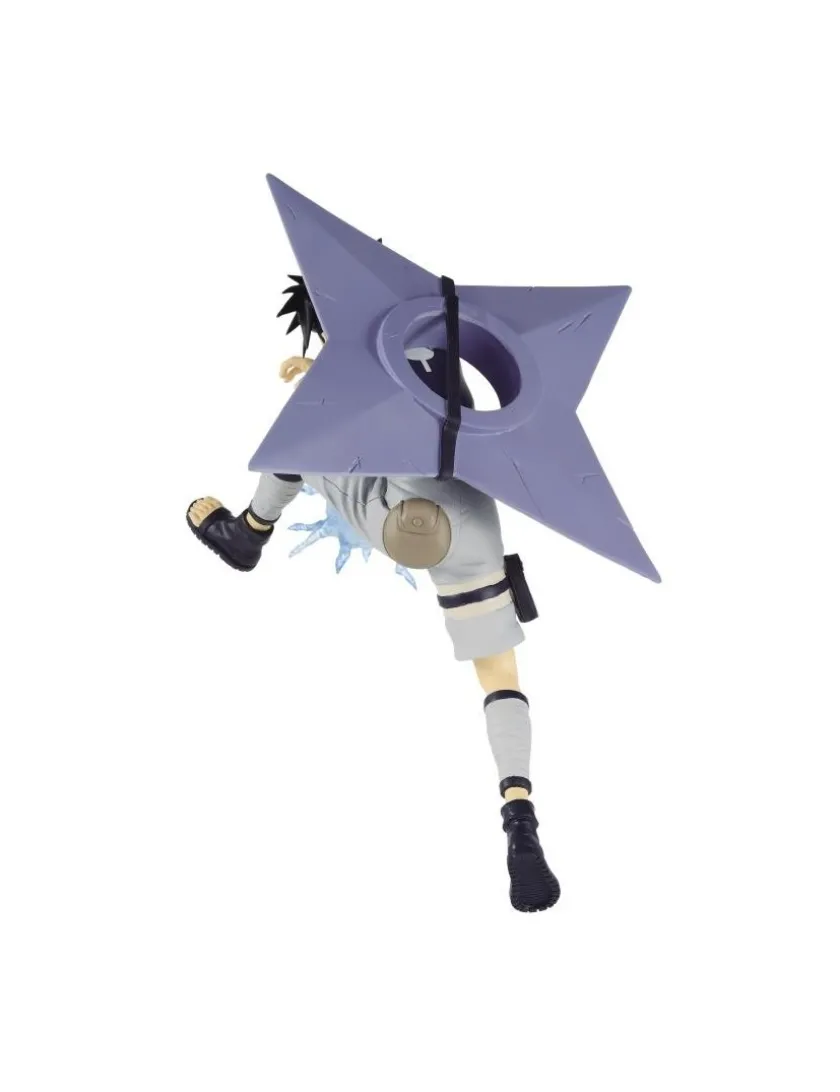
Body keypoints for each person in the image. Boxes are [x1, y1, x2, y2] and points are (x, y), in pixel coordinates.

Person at [187, 277, 560, 912]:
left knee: (302, 435)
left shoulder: (370, 354)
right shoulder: (443, 340)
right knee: (500, 677)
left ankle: (247, 533)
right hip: (473, 524)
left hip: (406, 521)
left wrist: (317, 381)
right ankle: (519, 814)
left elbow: (370, 404)